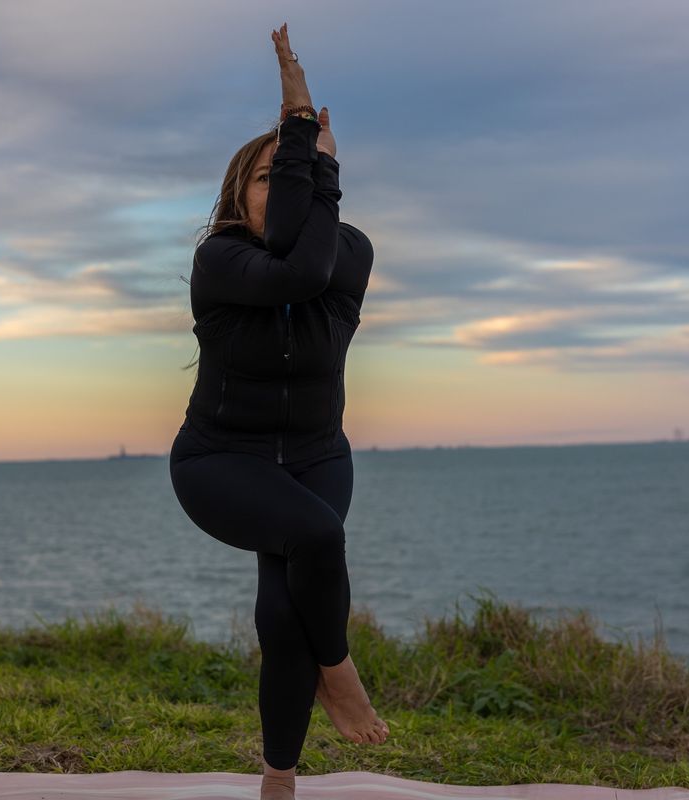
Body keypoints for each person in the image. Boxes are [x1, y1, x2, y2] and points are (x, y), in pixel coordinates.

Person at [168, 21, 388, 800]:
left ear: (323, 186)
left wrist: (306, 163)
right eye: (265, 178)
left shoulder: (350, 252)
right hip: (220, 461)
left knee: (282, 605)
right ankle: (340, 670)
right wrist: (302, 134)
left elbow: (308, 257)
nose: (279, 189)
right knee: (316, 535)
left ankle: (278, 776)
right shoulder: (218, 259)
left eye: (288, 175)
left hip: (318, 455)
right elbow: (290, 271)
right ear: (237, 193)